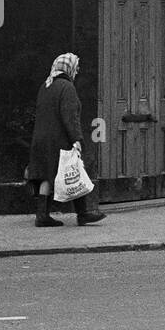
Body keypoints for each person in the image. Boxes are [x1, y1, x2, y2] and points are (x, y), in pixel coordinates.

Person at [27, 53, 105, 228]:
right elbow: (70, 117)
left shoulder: (46, 86)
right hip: (59, 140)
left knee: (46, 176)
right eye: (76, 68)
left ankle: (42, 215)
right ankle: (83, 214)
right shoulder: (67, 87)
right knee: (74, 171)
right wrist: (76, 139)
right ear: (68, 68)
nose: (76, 72)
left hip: (41, 139)